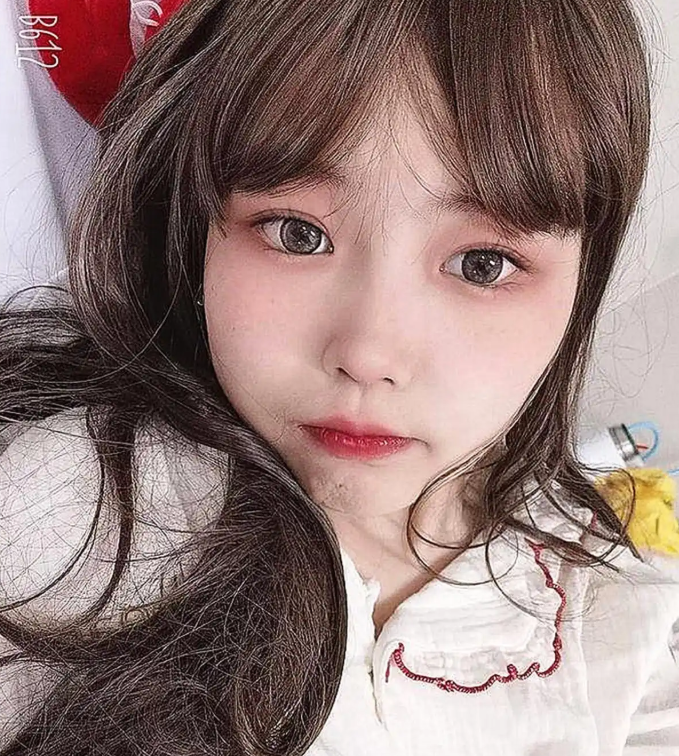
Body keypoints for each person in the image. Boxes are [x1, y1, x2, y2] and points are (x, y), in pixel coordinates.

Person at [0, 0, 677, 753]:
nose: (368, 352)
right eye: (298, 234)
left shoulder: (614, 593)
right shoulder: (82, 502)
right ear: (197, 233)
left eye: (482, 265)